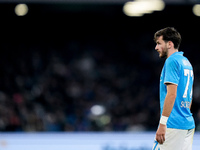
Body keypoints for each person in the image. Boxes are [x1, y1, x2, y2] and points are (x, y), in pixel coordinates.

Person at [152, 27, 195, 150]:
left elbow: (172, 94)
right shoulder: (186, 62)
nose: (156, 47)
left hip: (173, 125)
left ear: (169, 44)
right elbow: (188, 96)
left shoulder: (172, 61)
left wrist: (163, 123)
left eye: (159, 43)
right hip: (187, 123)